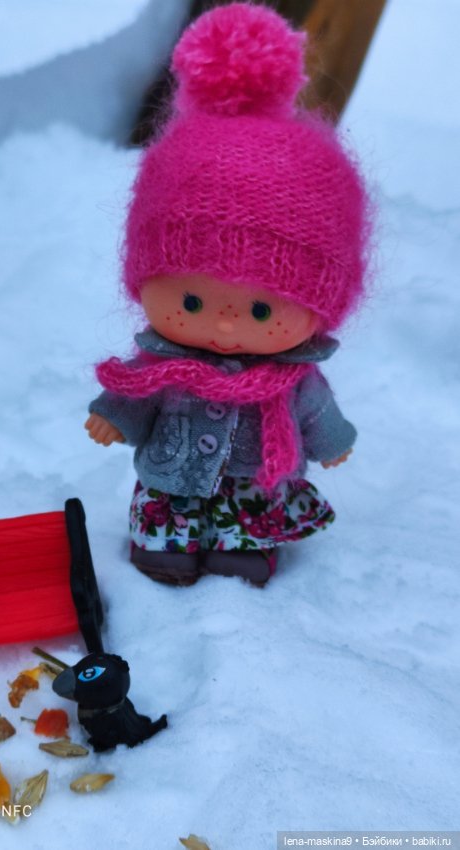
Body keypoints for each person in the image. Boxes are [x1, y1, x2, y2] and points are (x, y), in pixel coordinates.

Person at [85, 2, 371, 588]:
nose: (220, 327)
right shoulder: (162, 365)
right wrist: (113, 418)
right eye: (190, 302)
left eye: (262, 310)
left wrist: (332, 440)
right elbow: (140, 394)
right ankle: (164, 548)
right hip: (172, 481)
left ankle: (242, 549)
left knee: (246, 530)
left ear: (318, 307)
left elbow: (314, 410)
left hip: (255, 484)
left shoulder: (293, 379)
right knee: (167, 518)